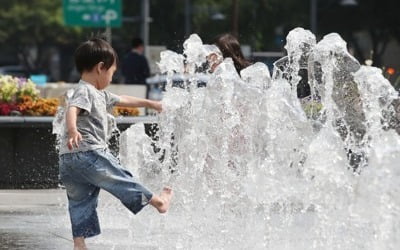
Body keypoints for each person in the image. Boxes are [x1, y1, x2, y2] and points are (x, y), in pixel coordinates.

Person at [58, 38, 172, 250]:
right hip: (90, 153)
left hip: (68, 159)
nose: (112, 77)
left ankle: (79, 243)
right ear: (100, 68)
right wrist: (73, 130)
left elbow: (123, 99)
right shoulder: (85, 91)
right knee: (121, 178)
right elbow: (73, 108)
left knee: (80, 202)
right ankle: (158, 202)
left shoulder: (98, 93)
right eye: (111, 73)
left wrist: (150, 103)